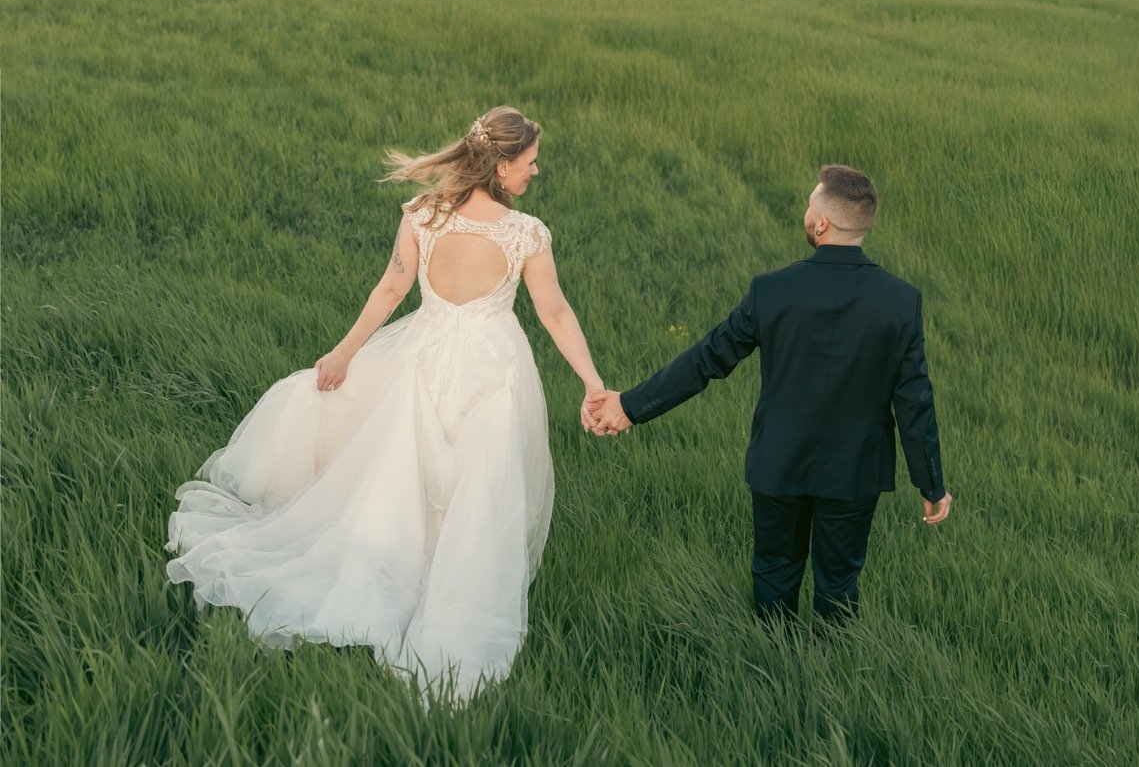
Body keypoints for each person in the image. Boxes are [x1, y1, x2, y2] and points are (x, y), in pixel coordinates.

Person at [166, 106, 605, 706]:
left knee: (413, 468)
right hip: (492, 367)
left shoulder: (424, 214)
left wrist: (346, 353)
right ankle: (451, 578)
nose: (536, 170)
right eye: (530, 161)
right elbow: (553, 311)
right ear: (502, 166)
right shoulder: (526, 232)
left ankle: (408, 563)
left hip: (425, 355)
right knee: (477, 482)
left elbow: (393, 287)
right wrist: (592, 383)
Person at [588, 165, 953, 626]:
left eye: (809, 205)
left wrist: (629, 406)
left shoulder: (773, 291)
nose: (805, 213)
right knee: (839, 583)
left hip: (779, 461)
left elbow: (706, 360)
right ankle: (829, 676)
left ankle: (774, 663)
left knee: (775, 573)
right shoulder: (901, 300)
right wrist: (931, 482)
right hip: (855, 468)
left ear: (821, 223)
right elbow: (915, 399)